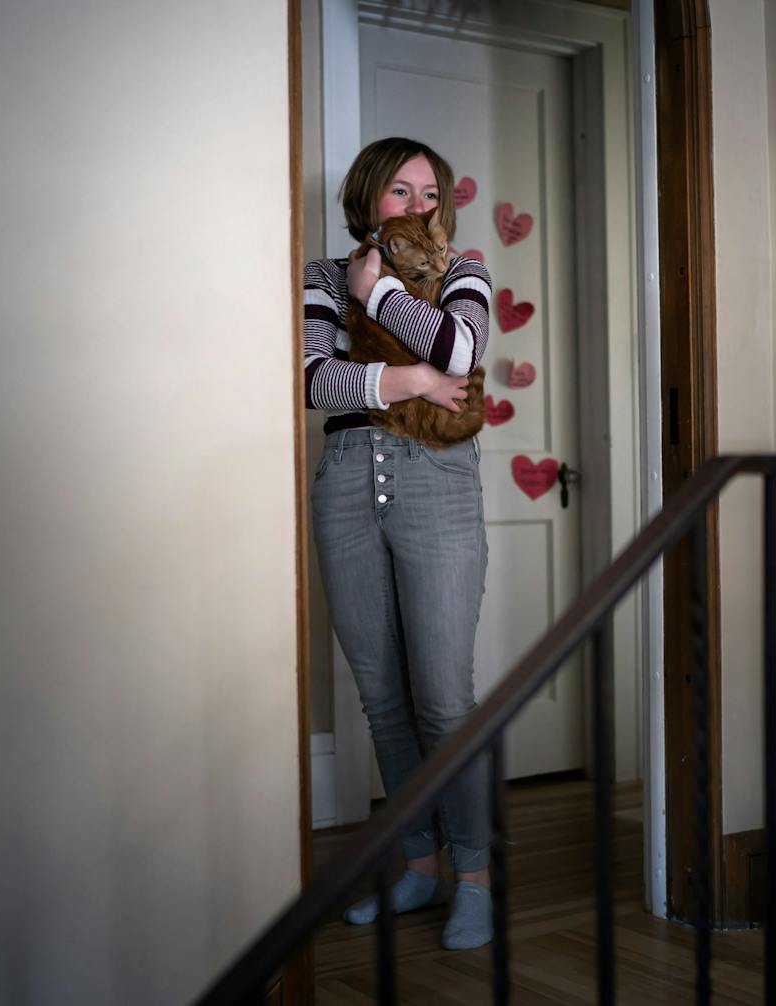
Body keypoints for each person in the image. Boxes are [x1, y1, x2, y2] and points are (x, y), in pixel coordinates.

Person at [303, 137, 494, 950]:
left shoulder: (463, 269)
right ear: (367, 197)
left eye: (430, 194)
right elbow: (313, 381)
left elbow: (463, 349)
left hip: (436, 479)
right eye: (400, 192)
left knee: (443, 698)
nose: (418, 206)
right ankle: (419, 866)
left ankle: (475, 878)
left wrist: (376, 294)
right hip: (347, 478)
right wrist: (412, 380)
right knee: (382, 699)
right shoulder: (321, 276)